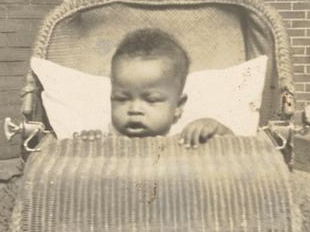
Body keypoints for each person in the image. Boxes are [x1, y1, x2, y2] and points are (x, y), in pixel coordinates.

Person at [77, 28, 233, 147]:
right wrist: (86, 146)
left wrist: (217, 130)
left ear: (178, 106)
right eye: (121, 98)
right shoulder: (107, 139)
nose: (134, 109)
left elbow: (238, 154)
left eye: (151, 99)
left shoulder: (185, 137)